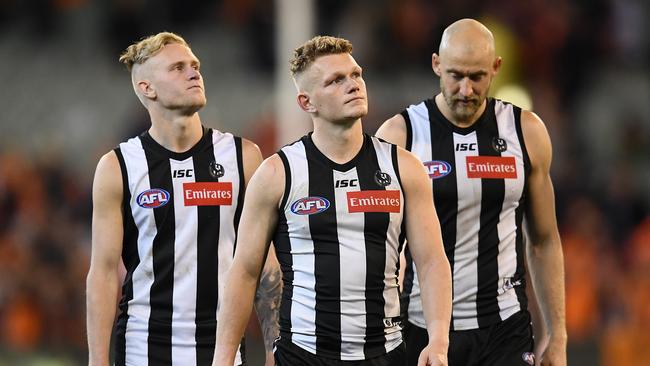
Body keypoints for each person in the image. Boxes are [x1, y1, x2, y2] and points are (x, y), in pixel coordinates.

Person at [212, 36, 452, 366]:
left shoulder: (404, 167)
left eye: (356, 75)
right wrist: (223, 359)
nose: (353, 85)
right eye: (336, 80)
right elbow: (245, 272)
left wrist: (438, 340)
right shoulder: (277, 174)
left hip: (386, 352)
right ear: (306, 102)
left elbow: (431, 261)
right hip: (303, 355)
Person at [376, 18, 567, 366]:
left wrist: (557, 336)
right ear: (436, 64)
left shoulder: (526, 133)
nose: (465, 89)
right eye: (455, 75)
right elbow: (378, 245)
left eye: (477, 77)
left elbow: (543, 240)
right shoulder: (399, 136)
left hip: (503, 328)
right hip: (421, 327)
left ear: (496, 69)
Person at [86, 32, 281, 366]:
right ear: (147, 88)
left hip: (221, 349)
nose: (194, 73)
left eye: (195, 65)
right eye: (177, 67)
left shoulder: (243, 157)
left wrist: (274, 348)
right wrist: (97, 359)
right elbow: (103, 272)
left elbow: (266, 263)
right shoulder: (117, 167)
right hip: (142, 349)